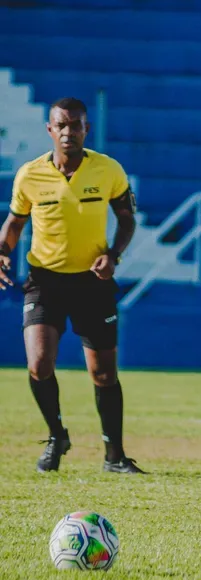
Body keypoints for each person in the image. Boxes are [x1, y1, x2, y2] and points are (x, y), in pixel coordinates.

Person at [0, 98, 142, 474]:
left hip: (92, 283)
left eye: (75, 125)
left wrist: (113, 255)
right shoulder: (30, 175)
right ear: (49, 130)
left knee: (103, 374)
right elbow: (15, 223)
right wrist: (2, 251)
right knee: (39, 363)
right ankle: (56, 436)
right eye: (61, 125)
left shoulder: (108, 170)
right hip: (44, 280)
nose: (68, 132)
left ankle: (114, 456)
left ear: (86, 129)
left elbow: (127, 220)